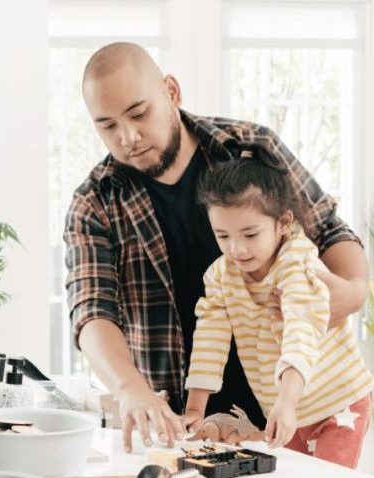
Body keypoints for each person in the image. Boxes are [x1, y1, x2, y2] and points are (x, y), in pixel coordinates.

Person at [64, 42, 369, 451]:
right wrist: (130, 388)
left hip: (296, 412)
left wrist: (353, 291)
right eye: (108, 125)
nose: (129, 137)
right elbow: (91, 311)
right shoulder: (95, 202)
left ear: (171, 91)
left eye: (139, 114)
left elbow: (329, 230)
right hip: (186, 426)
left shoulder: (251, 148)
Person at [183, 148, 374, 468]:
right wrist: (194, 409)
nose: (236, 248)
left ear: (283, 223)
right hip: (288, 411)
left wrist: (286, 402)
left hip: (338, 405)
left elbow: (301, 329)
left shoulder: (299, 266)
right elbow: (210, 337)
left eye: (250, 234)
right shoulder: (220, 274)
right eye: (223, 235)